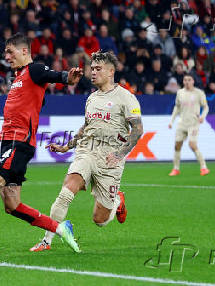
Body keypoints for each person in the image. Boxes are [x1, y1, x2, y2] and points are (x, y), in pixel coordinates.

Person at [0, 33, 83, 258]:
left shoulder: (35, 70)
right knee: (12, 204)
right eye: (5, 53)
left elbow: (58, 76)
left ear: (24, 51)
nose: (6, 56)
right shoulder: (20, 77)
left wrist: (69, 75)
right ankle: (60, 228)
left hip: (19, 142)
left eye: (10, 52)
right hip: (9, 143)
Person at [30, 51, 144, 252]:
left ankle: (117, 200)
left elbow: (138, 129)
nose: (93, 72)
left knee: (99, 220)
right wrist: (67, 146)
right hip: (87, 151)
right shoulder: (91, 98)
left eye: (98, 69)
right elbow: (86, 128)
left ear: (111, 72)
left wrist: (120, 154)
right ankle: (47, 240)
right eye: (92, 68)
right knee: (68, 189)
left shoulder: (126, 97)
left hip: (110, 159)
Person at [168, 74, 210, 176]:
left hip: (193, 124)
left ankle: (204, 167)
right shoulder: (180, 93)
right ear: (183, 81)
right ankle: (176, 169)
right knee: (177, 145)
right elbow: (177, 107)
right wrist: (171, 121)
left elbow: (205, 107)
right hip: (182, 123)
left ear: (193, 81)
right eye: (185, 80)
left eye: (189, 80)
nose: (187, 82)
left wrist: (202, 117)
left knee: (192, 145)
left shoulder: (199, 93)